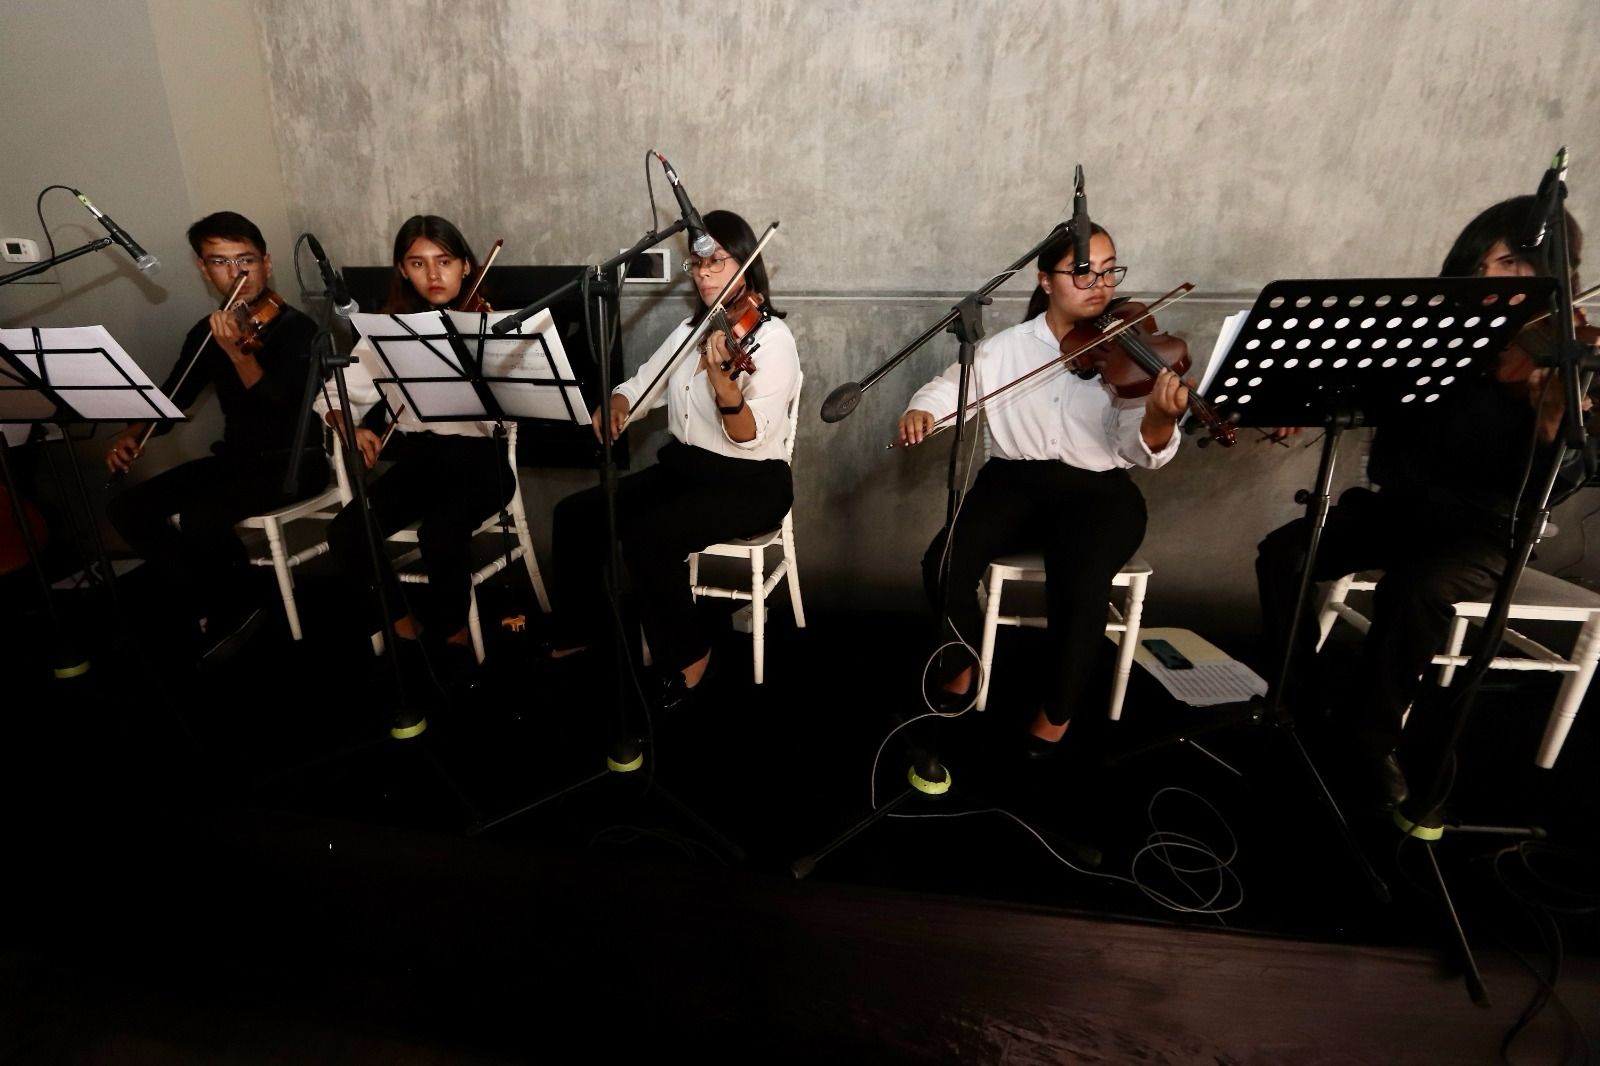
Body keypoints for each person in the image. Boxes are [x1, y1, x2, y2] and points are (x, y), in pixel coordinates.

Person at [1255, 195, 1586, 811]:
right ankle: (1298, 699)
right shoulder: (1431, 335)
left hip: (1485, 529)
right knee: (1286, 553)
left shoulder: (1565, 358)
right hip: (1399, 508)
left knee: (1415, 588)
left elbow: (1571, 478)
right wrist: (1305, 409)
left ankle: (1369, 739)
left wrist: (1553, 423)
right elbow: (1361, 395)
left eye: (1525, 268)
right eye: (1495, 265)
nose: (1508, 281)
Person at [898, 225, 1188, 757]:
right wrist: (924, 409)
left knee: (1079, 580)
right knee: (943, 560)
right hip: (1013, 482)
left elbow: (1135, 448)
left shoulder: (1126, 351)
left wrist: (1159, 421)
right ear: (1045, 280)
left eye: (1108, 270)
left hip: (1098, 491)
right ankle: (963, 659)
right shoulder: (1004, 348)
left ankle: (1055, 713)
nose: (1098, 283)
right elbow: (950, 385)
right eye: (1083, 271)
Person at [545, 209, 799, 710]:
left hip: (751, 482)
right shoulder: (691, 331)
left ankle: (690, 653)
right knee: (574, 515)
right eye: (696, 264)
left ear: (747, 264)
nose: (704, 273)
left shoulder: (772, 341)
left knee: (647, 537)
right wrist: (618, 404)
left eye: (717, 262)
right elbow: (642, 386)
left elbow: (750, 436)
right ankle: (583, 629)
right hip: (687, 470)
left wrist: (727, 390)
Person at [318, 215, 514, 738]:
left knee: (439, 532)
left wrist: (487, 355)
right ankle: (406, 631)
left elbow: (523, 406)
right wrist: (348, 423)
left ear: (466, 265)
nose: (433, 274)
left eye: (444, 261)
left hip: (480, 465)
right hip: (420, 462)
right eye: (418, 263)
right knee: (346, 530)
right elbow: (333, 394)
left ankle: (452, 640)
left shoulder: (493, 325)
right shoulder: (387, 331)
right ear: (402, 270)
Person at [106, 211, 324, 664]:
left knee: (202, 517)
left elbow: (283, 406)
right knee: (128, 506)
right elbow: (173, 395)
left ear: (266, 262)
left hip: (293, 461)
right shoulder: (207, 331)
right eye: (220, 262)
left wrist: (238, 354)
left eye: (245, 259)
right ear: (204, 270)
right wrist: (135, 431)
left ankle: (237, 606)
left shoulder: (298, 329)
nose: (237, 273)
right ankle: (210, 600)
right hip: (236, 460)